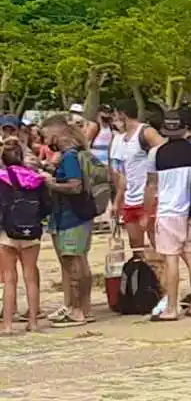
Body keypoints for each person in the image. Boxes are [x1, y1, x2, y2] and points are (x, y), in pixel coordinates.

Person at [148, 109, 191, 322]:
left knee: (171, 258)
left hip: (168, 211)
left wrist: (148, 212)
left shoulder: (156, 153)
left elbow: (152, 185)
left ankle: (171, 307)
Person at [40, 116, 93, 328]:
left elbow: (75, 185)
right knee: (79, 262)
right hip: (76, 216)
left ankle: (77, 310)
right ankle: (82, 307)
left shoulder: (70, 157)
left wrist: (50, 183)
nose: (44, 140)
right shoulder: (74, 154)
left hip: (72, 217)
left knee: (73, 263)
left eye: (45, 135)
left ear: (56, 133)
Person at [0, 139, 50, 333]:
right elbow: (47, 206)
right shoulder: (35, 178)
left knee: (10, 277)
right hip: (32, 231)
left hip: (7, 233)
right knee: (30, 276)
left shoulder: (2, 179)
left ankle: (8, 325)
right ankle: (33, 322)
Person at [113, 100, 165, 253]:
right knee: (136, 246)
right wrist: (118, 200)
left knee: (157, 244)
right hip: (130, 198)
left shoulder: (145, 132)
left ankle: (163, 274)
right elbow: (124, 173)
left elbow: (164, 151)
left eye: (116, 116)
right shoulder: (122, 139)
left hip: (148, 196)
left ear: (122, 115)